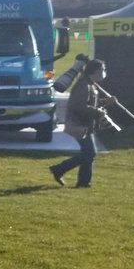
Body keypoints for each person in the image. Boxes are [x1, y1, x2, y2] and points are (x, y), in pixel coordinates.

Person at [50, 58, 115, 189]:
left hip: (86, 124)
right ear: (95, 71)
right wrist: (98, 112)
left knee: (89, 153)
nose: (104, 72)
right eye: (102, 70)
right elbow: (79, 106)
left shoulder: (91, 84)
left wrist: (104, 102)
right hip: (80, 125)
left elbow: (91, 103)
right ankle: (60, 169)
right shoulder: (83, 85)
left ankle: (83, 182)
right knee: (89, 153)